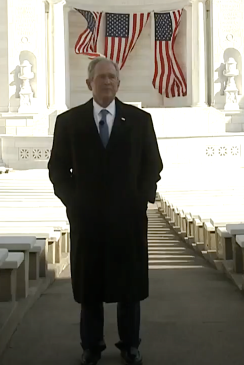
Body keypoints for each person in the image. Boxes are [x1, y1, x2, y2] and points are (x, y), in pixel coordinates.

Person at [48, 56, 163, 365]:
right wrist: (74, 204)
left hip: (128, 221)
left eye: (112, 77)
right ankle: (91, 346)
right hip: (88, 222)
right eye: (101, 77)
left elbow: (153, 165)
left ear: (119, 82)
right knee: (90, 288)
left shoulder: (139, 121)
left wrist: (140, 199)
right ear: (89, 83)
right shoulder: (69, 123)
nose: (108, 82)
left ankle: (130, 344)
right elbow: (58, 171)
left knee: (130, 288)